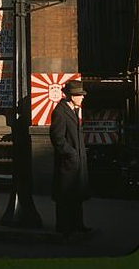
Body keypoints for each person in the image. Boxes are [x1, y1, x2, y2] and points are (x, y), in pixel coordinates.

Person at [50, 79, 90, 239]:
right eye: (80, 95)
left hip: (77, 161)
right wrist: (71, 154)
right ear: (71, 96)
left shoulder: (73, 110)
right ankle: (64, 227)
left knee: (77, 195)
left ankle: (78, 225)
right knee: (65, 195)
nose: (82, 97)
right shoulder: (60, 111)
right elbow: (58, 139)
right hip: (67, 163)